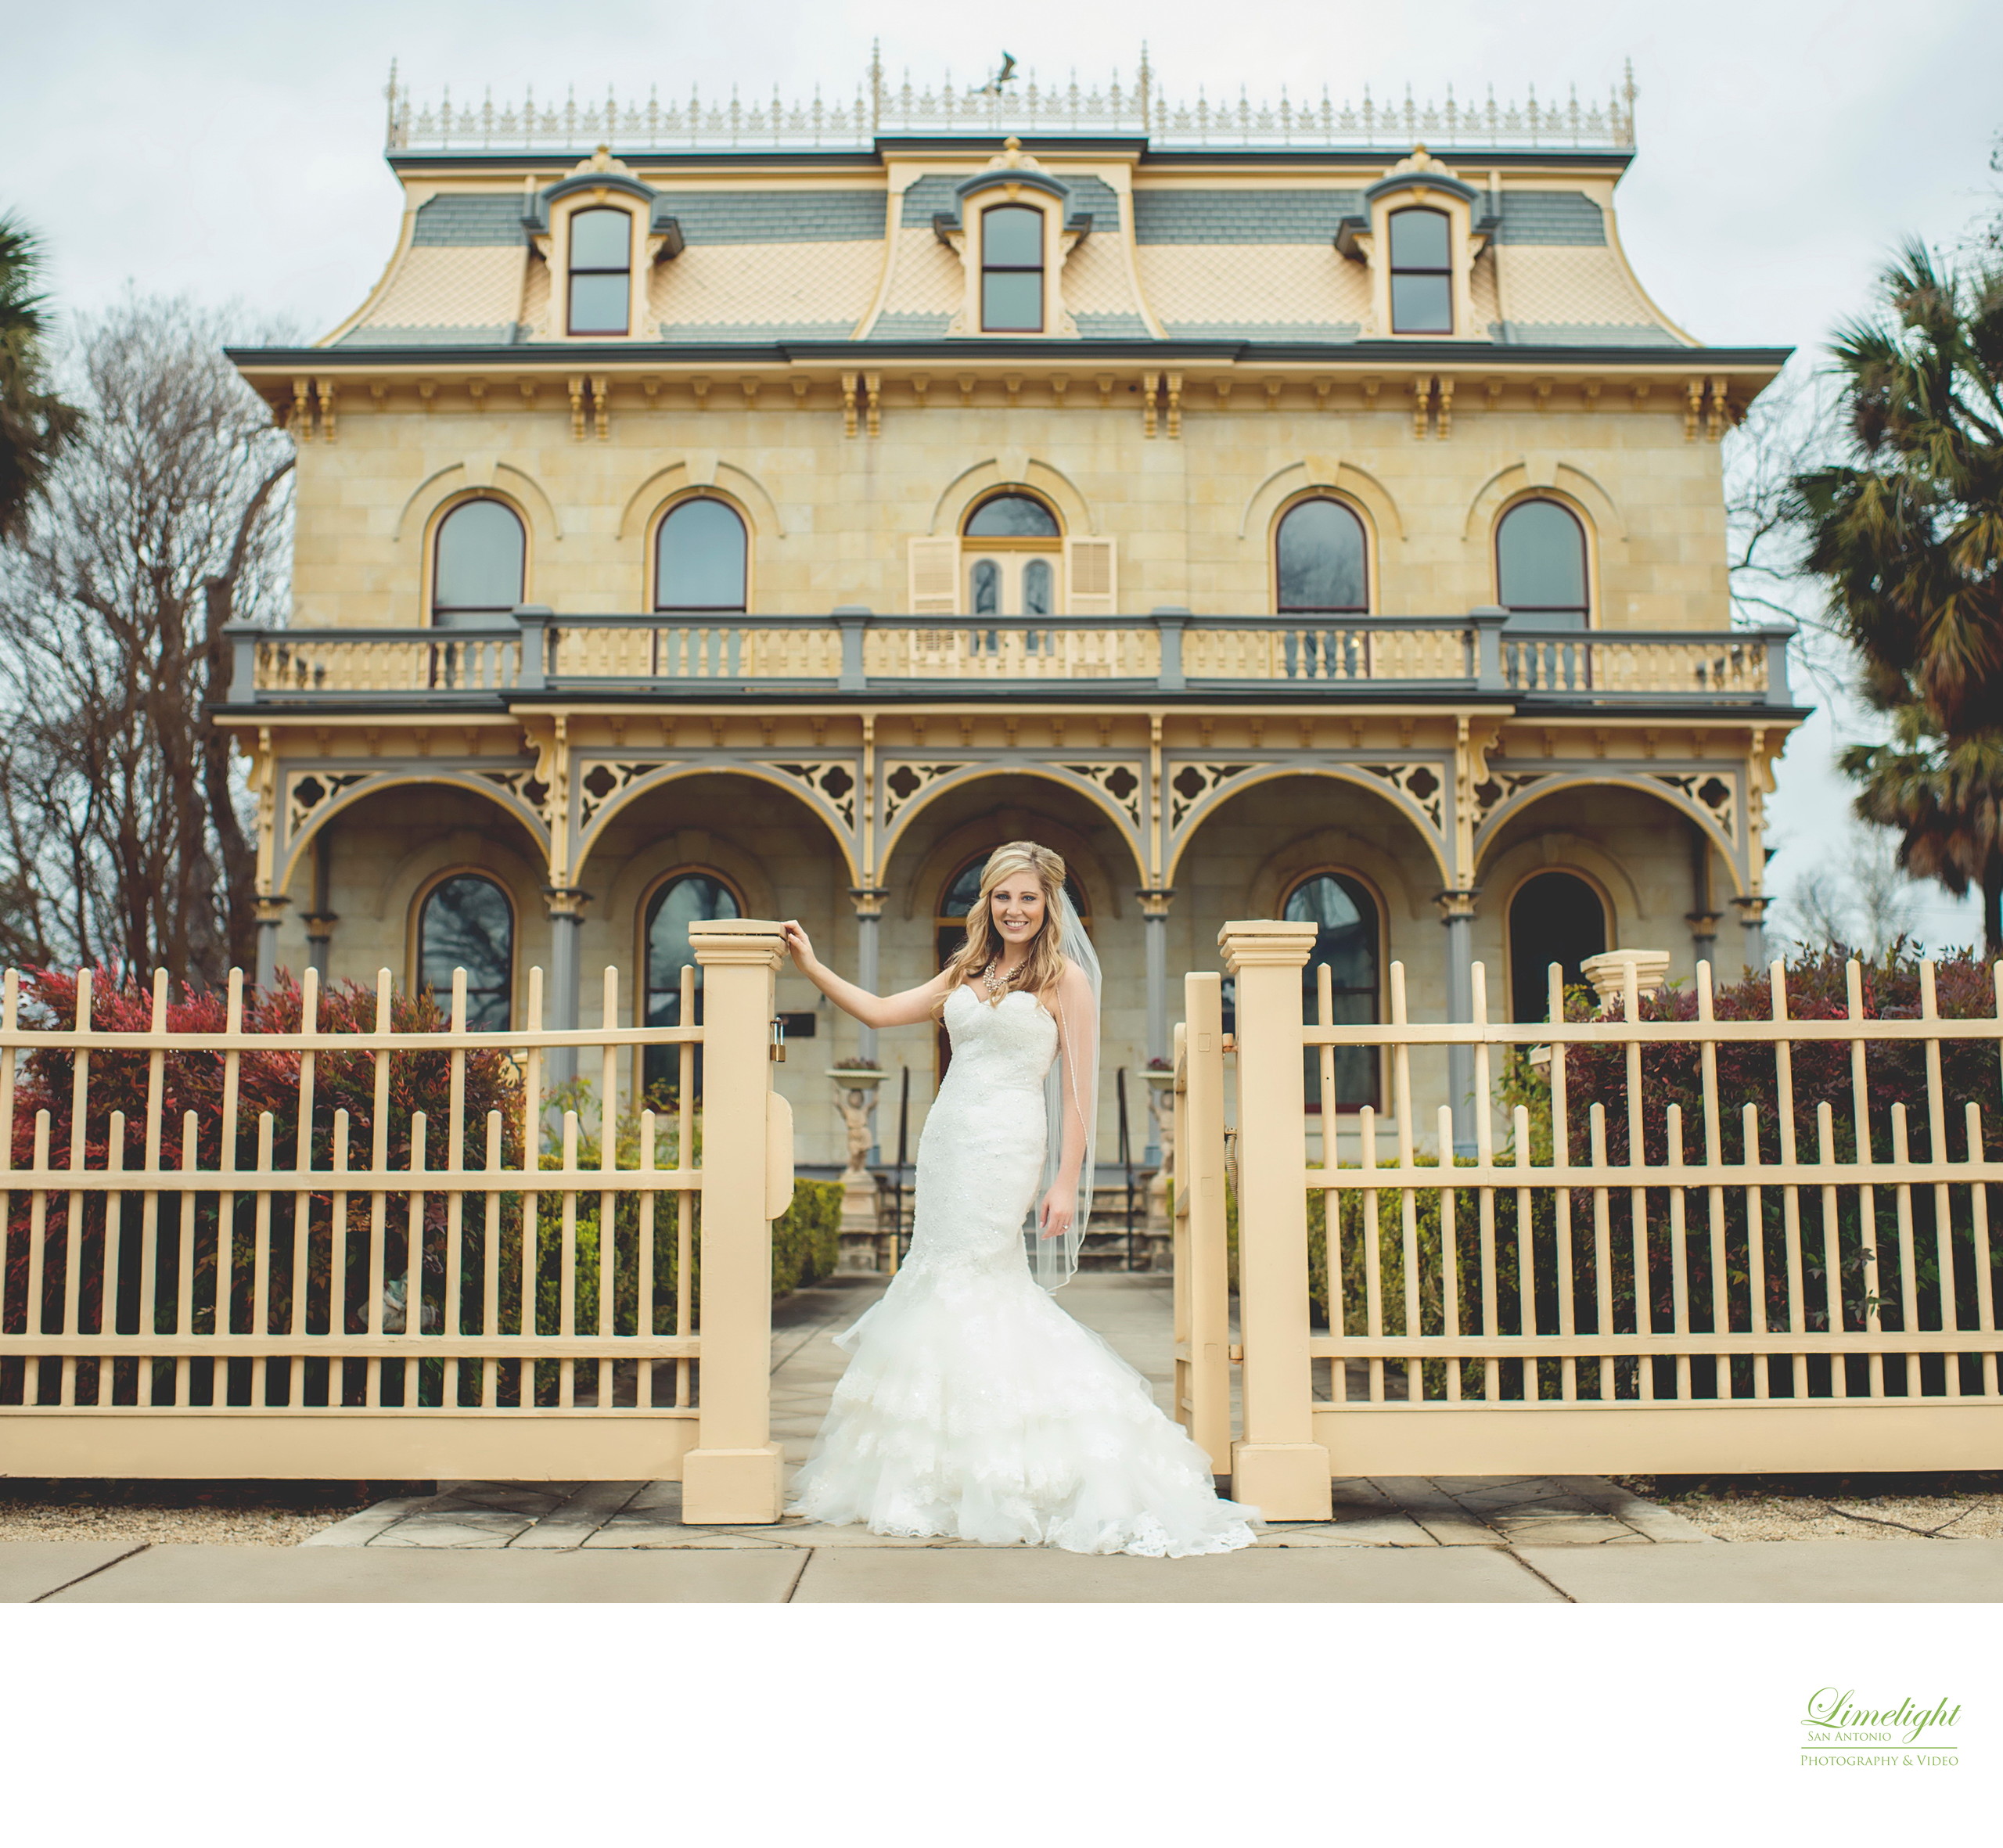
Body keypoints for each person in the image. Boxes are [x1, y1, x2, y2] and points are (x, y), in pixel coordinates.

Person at [779, 840, 1259, 1556]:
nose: (1014, 909)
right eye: (1003, 896)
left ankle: (1026, 1460)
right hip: (947, 1142)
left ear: (1049, 904)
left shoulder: (1067, 981)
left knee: (981, 1281)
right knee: (939, 1282)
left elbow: (1078, 1094)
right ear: (987, 901)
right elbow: (880, 1013)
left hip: (1007, 1144)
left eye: (1028, 898)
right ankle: (941, 1467)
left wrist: (1065, 1177)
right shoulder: (965, 971)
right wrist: (812, 966)